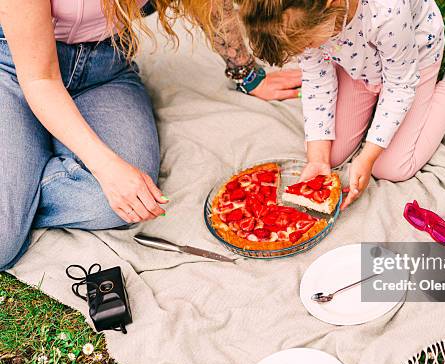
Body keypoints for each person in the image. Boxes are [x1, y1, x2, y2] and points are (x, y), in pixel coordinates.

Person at [0, 0, 300, 270]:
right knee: (3, 242)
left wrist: (247, 74)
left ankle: (25, 172)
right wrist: (106, 168)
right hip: (14, 68)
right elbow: (40, 78)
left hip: (104, 68)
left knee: (119, 203)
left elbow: (210, 5)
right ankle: (24, 169)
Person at [239, 0, 445, 210]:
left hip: (413, 63)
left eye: (308, 44)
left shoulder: (388, 11)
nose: (306, 50)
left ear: (331, 4)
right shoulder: (299, 14)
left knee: (392, 167)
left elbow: (400, 86)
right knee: (330, 155)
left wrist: (368, 155)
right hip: (358, 65)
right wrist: (318, 159)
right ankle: (374, 105)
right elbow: (317, 78)